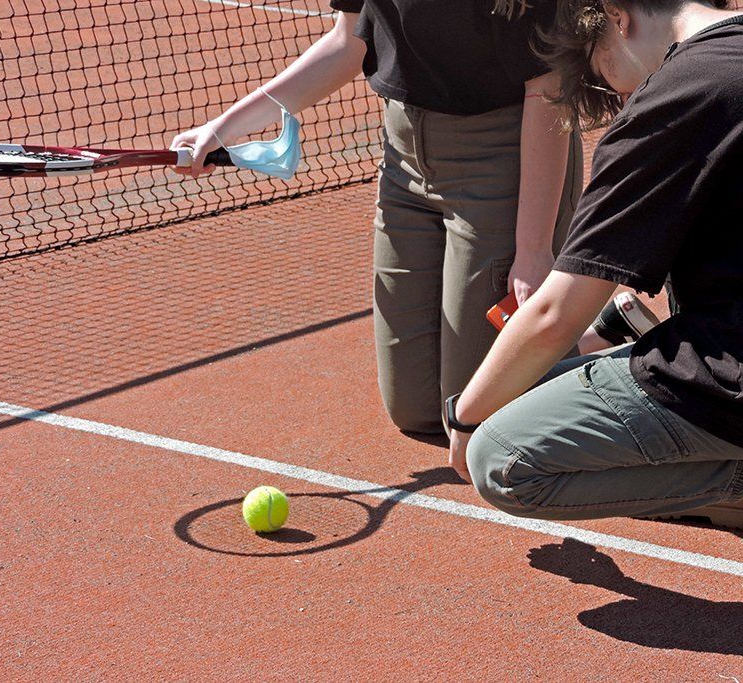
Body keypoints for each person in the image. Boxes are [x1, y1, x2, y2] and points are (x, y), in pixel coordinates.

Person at [171, 1, 584, 434]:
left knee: (480, 415)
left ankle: (593, 352)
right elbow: (348, 40)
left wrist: (534, 250)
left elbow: (550, 89)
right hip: (404, 163)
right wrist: (222, 128)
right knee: (418, 410)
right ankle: (602, 331)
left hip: (504, 158)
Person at [447, 0, 743, 528]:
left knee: (498, 455)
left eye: (602, 72)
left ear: (617, 16)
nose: (619, 98)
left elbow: (555, 315)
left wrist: (464, 419)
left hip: (730, 374)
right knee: (522, 385)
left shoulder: (674, 98)